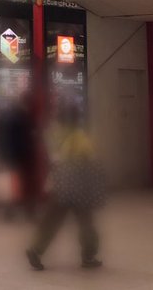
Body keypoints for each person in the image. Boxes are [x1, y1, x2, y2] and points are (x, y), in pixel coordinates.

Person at [26, 106, 103, 271]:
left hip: (58, 183)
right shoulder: (79, 136)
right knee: (86, 221)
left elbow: (53, 156)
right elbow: (89, 156)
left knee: (51, 220)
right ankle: (88, 256)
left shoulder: (53, 134)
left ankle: (35, 249)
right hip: (78, 185)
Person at [0, 90, 38, 220]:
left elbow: (1, 135)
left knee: (17, 185)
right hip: (19, 155)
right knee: (22, 184)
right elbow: (22, 138)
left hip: (11, 155)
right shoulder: (20, 115)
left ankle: (15, 211)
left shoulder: (8, 114)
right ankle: (24, 212)